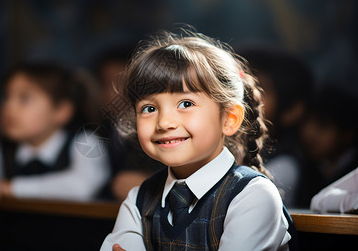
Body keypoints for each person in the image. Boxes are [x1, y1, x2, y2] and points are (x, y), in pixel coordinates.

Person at [101, 29, 295, 250]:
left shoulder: (254, 197)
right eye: (149, 108)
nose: (164, 122)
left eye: (186, 104)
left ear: (229, 119)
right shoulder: (138, 200)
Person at [0, 62, 110, 211]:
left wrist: (8, 188)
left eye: (24, 99)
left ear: (62, 111)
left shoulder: (85, 141)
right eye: (6, 97)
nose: (9, 107)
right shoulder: (6, 147)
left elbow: (82, 186)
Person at [238, 47, 314, 207]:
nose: (243, 95)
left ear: (292, 110)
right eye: (240, 85)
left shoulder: (285, 167)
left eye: (259, 89)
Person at [93, 44, 164, 201]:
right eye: (105, 83)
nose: (114, 91)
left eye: (120, 82)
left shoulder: (160, 128)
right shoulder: (98, 130)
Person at [296, 86, 358, 208]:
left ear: (347, 134)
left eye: (323, 126)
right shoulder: (307, 167)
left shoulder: (353, 169)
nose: (309, 133)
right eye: (307, 122)